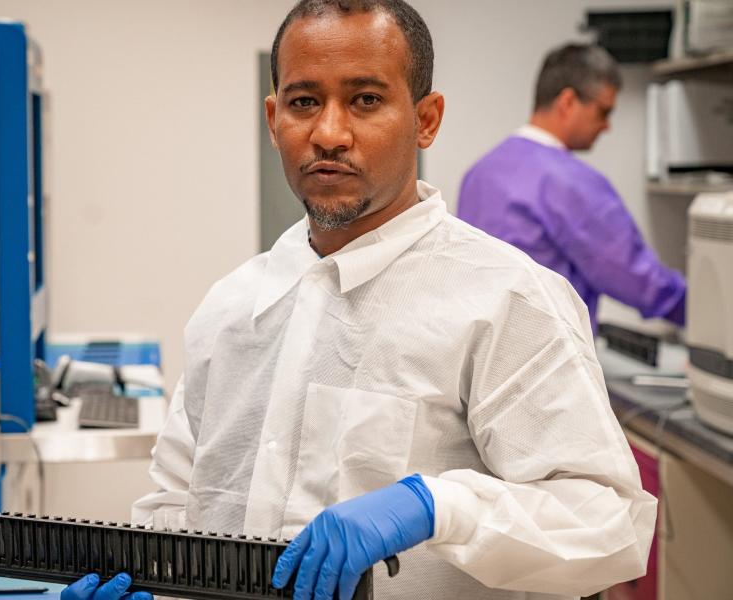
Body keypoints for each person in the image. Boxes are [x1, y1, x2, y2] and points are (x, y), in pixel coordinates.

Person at [63, 3, 655, 599]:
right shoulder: (232, 309)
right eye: (303, 102)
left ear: (426, 120)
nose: (329, 133)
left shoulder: (508, 300)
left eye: (366, 99)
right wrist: (148, 583)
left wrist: (438, 506)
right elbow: (175, 503)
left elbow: (607, 525)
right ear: (273, 120)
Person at [457, 43, 686, 334]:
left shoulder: (480, 173)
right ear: (567, 102)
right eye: (603, 112)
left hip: (485, 360)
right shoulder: (573, 183)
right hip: (549, 364)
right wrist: (704, 307)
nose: (607, 127)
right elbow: (635, 279)